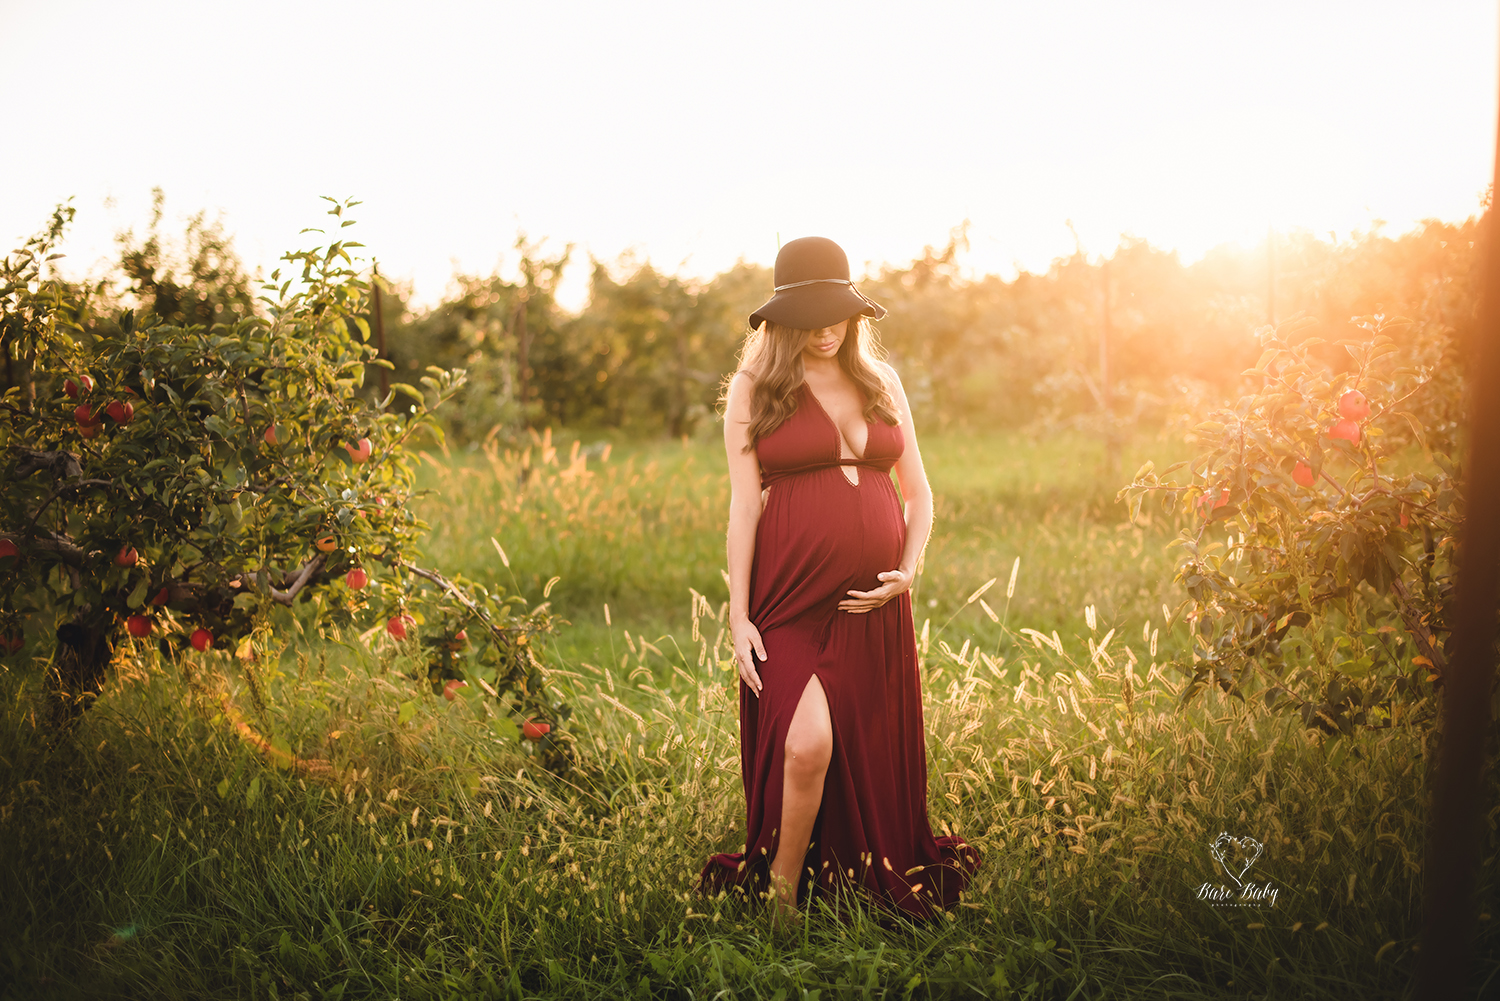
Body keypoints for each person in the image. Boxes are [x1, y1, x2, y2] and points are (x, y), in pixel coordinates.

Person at [698, 236, 980, 921]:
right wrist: (738, 616)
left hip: (872, 605)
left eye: (839, 314)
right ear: (781, 320)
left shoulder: (881, 382)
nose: (827, 329)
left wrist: (907, 571)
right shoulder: (755, 388)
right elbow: (743, 505)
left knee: (861, 741)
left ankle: (845, 875)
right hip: (790, 598)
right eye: (811, 316)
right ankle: (780, 896)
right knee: (807, 741)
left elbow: (920, 492)